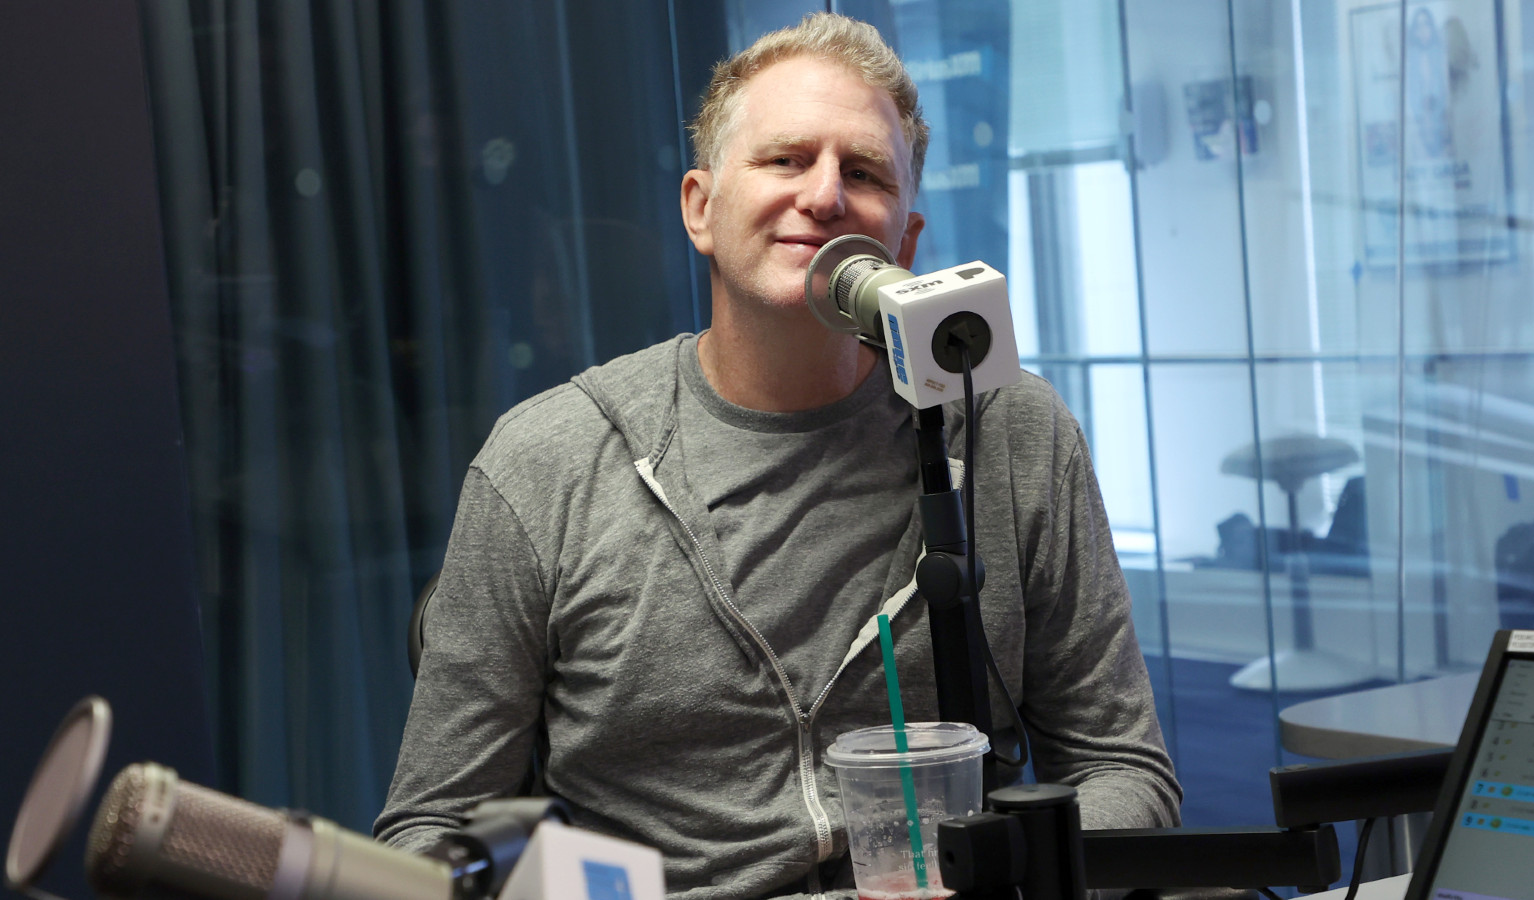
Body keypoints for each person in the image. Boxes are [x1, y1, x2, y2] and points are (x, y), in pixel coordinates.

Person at [376, 13, 1179, 898]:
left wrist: (1005, 875)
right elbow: (432, 831)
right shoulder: (550, 459)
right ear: (701, 209)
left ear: (904, 241)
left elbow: (1124, 771)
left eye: (864, 173)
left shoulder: (1007, 430)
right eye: (785, 159)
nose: (826, 196)